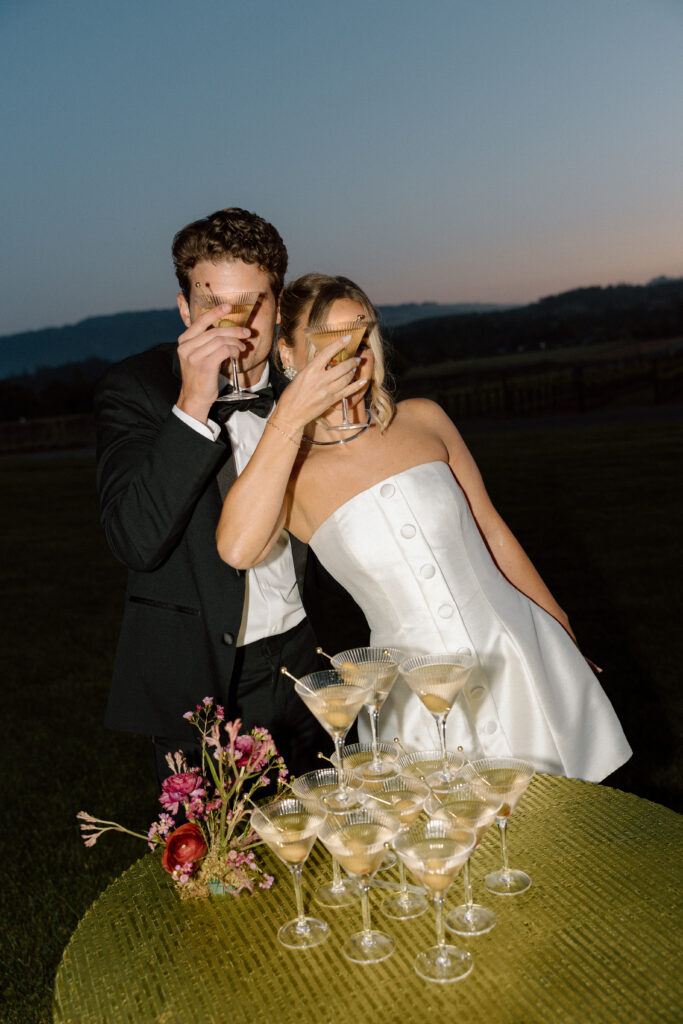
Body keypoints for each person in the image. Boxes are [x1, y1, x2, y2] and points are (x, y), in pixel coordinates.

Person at [215, 273, 632, 783]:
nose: (351, 356)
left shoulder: (424, 420)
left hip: (518, 658)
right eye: (328, 342)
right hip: (415, 705)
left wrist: (560, 628)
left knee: (570, 822)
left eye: (360, 337)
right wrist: (289, 414)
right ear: (288, 353)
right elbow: (236, 548)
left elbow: (492, 531)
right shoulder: (290, 475)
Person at [94, 214, 369, 789]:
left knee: (334, 825)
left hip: (313, 655)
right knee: (220, 848)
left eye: (251, 304)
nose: (234, 324)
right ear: (184, 309)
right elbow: (135, 541)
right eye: (213, 304)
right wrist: (193, 402)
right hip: (205, 675)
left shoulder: (307, 380)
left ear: (279, 307)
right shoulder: (136, 388)